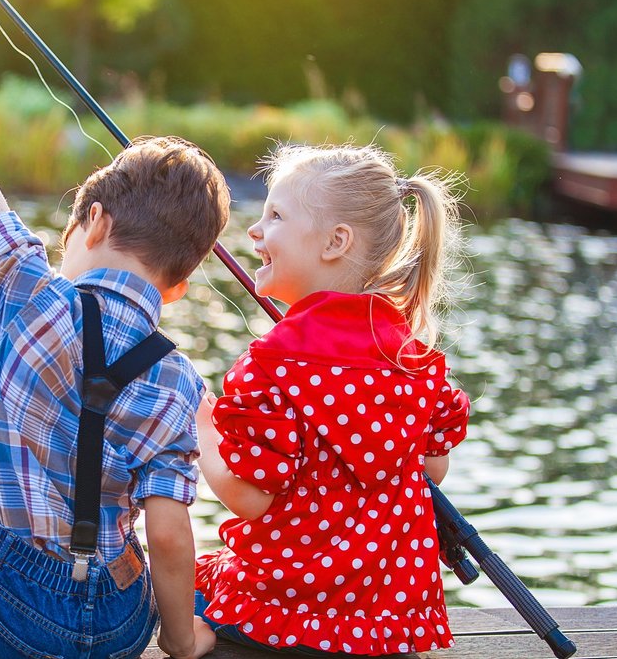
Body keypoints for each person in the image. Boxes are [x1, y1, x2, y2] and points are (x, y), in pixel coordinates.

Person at [0, 0, 228, 659]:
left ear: (92, 221)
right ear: (179, 286)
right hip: (121, 622)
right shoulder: (179, 379)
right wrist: (180, 638)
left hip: (7, 609)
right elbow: (169, 527)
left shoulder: (31, 291)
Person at [193, 143, 471, 655]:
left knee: (174, 588)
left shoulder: (269, 368)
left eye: (275, 215)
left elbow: (249, 498)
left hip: (284, 617)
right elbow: (432, 470)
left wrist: (204, 428)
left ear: (335, 241)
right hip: (388, 629)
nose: (255, 231)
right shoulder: (414, 361)